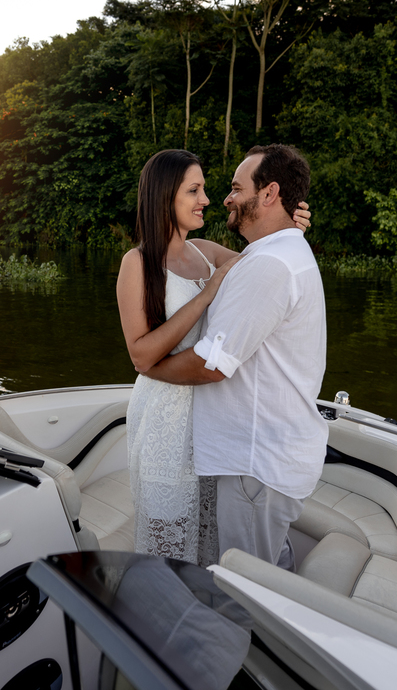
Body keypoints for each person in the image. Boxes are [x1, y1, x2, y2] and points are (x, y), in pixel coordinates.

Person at [116, 149, 310, 567]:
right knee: (167, 533)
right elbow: (140, 353)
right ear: (164, 196)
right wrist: (206, 294)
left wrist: (288, 229)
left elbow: (264, 267)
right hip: (164, 413)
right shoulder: (138, 263)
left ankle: (200, 611)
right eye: (194, 190)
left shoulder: (205, 251)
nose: (206, 198)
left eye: (204, 189)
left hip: (210, 419)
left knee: (207, 533)